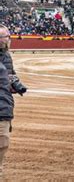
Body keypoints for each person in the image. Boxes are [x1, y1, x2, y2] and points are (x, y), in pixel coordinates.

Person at [0, 25, 27, 176]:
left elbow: (11, 76)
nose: (9, 39)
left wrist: (14, 85)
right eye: (7, 37)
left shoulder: (7, 56)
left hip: (4, 108)